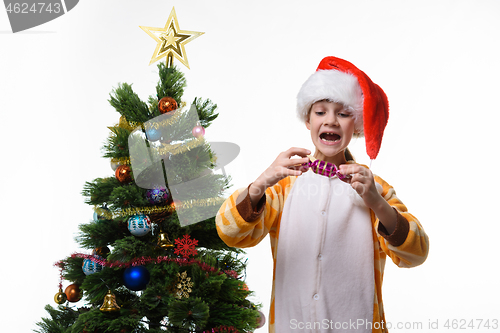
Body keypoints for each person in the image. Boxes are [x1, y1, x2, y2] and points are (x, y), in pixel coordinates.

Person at [215, 56, 429, 333]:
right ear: (307, 119)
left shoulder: (377, 188)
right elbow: (230, 233)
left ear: (357, 124)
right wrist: (261, 182)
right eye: (321, 112)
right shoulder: (283, 185)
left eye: (343, 113)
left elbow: (416, 254)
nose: (331, 121)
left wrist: (376, 201)